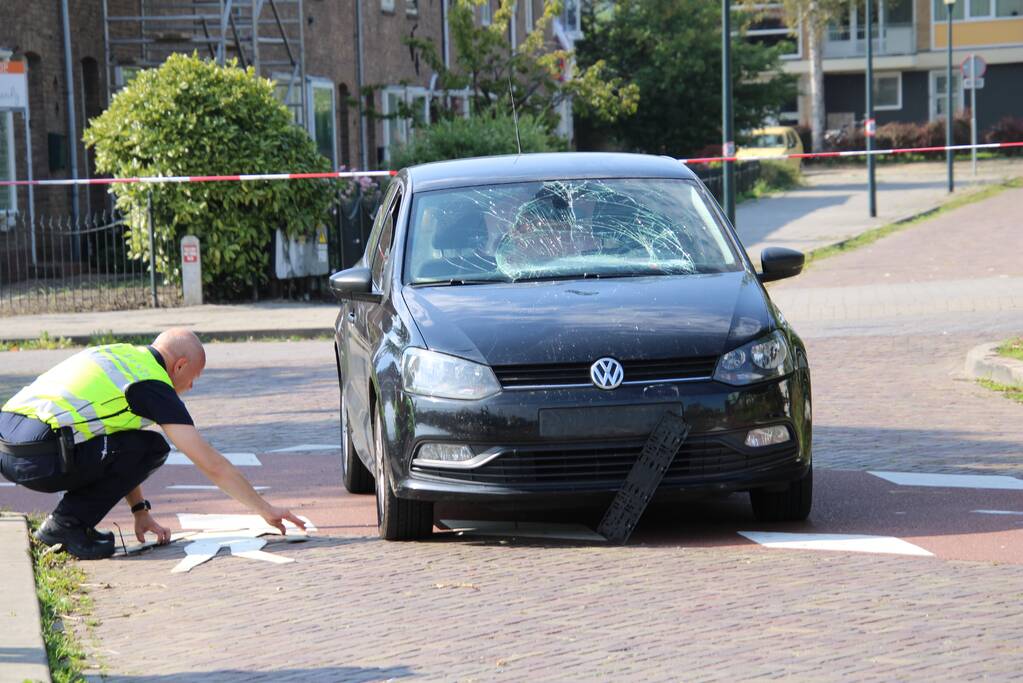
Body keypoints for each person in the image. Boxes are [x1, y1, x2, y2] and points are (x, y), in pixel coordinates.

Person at [0, 328, 305, 559]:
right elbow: (209, 462)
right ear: (180, 365)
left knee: (137, 443)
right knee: (154, 448)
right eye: (194, 377)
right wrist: (265, 508)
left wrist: (140, 511)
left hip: (9, 442)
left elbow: (120, 444)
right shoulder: (152, 384)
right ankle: (65, 525)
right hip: (39, 456)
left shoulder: (120, 356)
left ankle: (69, 522)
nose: (191, 387)